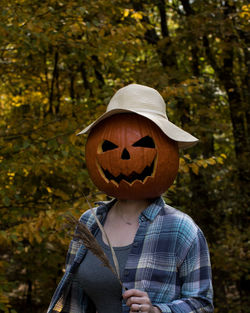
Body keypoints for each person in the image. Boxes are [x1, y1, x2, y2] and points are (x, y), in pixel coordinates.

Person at [47, 84, 213, 313]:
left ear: (169, 148)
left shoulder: (181, 229)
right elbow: (71, 300)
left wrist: (157, 310)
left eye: (142, 144)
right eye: (110, 146)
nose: (124, 156)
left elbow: (202, 304)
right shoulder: (88, 223)